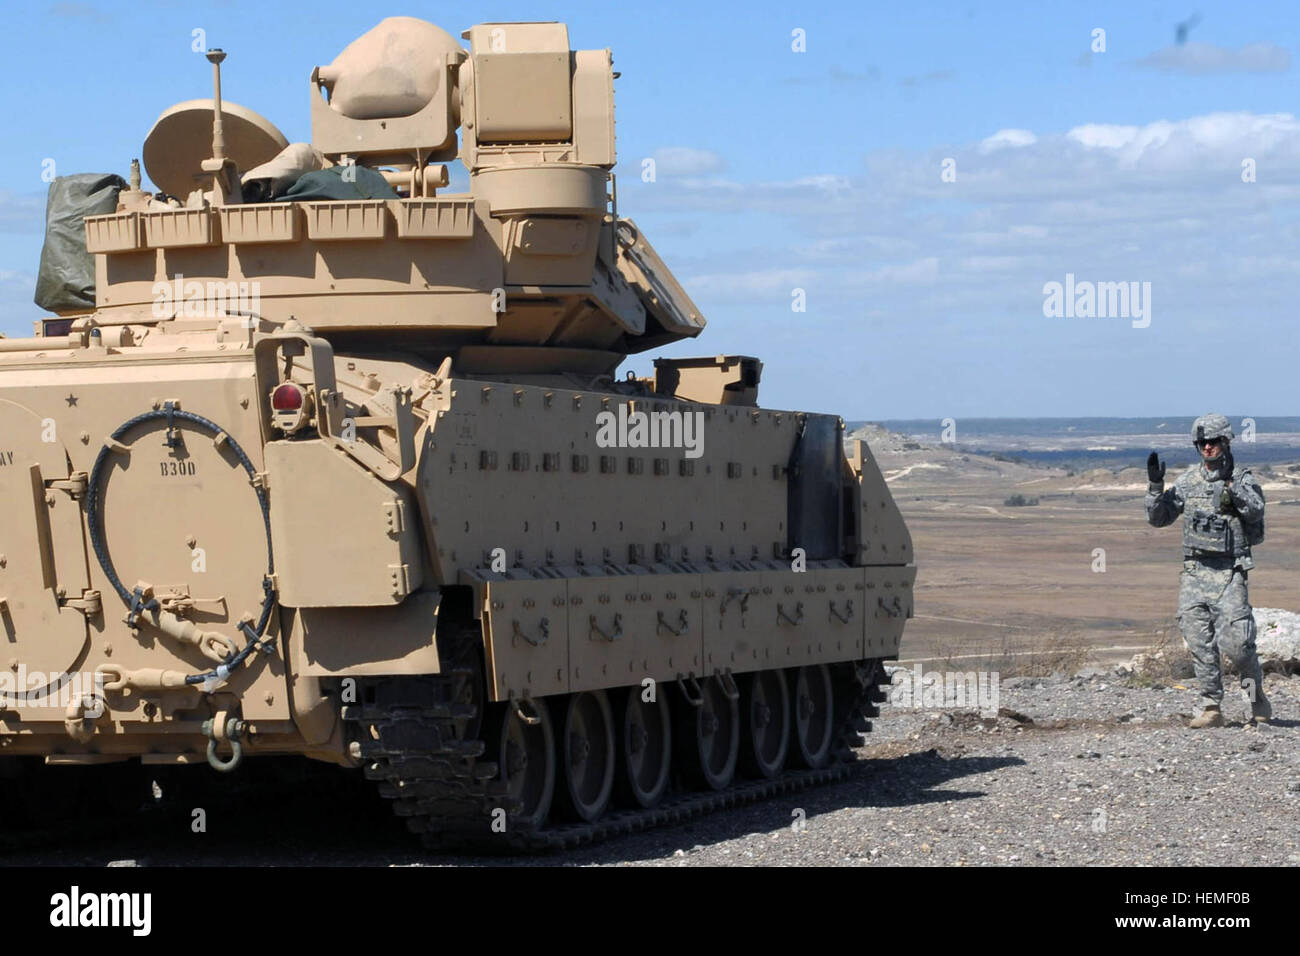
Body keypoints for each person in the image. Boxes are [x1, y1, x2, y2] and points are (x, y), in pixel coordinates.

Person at [1145, 413, 1271, 727]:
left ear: (1226, 442)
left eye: (1214, 442)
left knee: (1239, 647)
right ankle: (1211, 707)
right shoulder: (1188, 481)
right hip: (1195, 571)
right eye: (1202, 442)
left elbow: (1257, 509)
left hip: (1229, 572)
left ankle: (1255, 697)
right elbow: (1159, 518)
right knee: (1199, 641)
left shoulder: (1241, 478)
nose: (1208, 447)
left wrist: (1233, 493)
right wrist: (1155, 487)